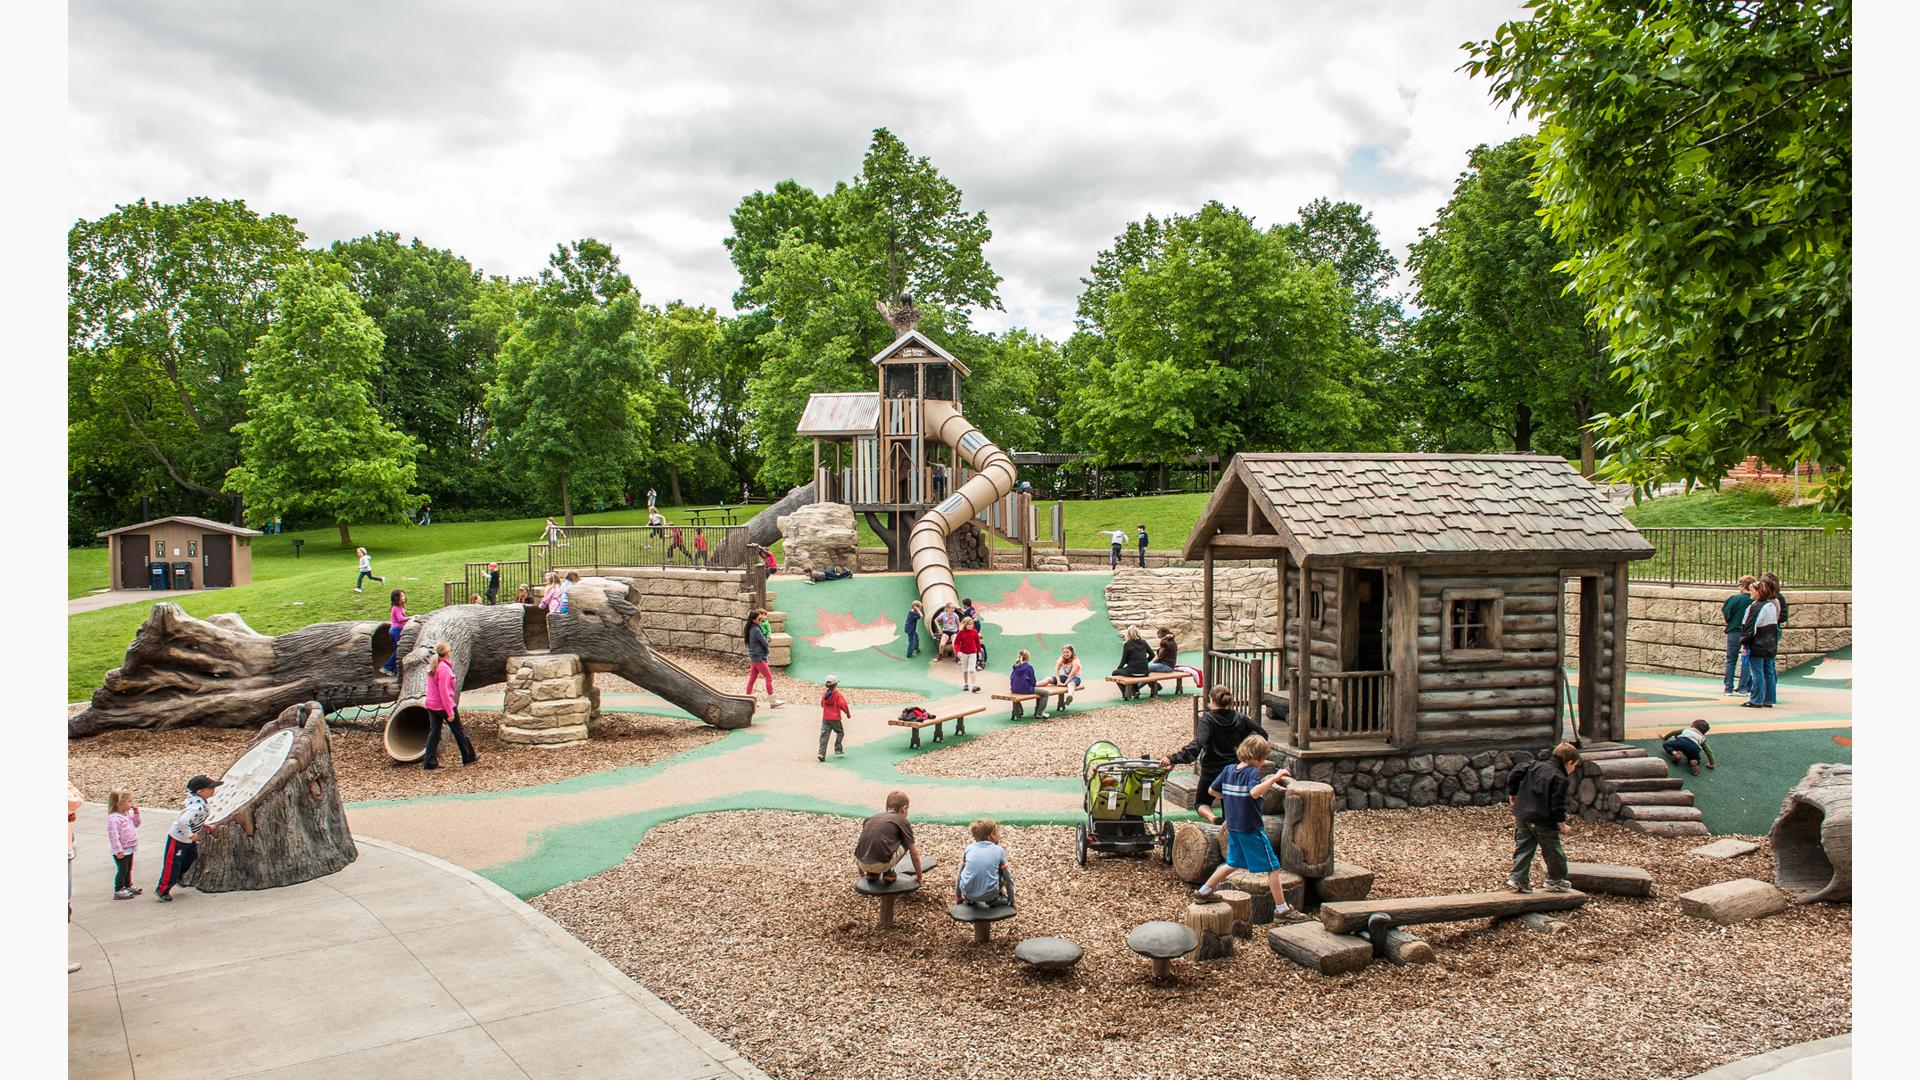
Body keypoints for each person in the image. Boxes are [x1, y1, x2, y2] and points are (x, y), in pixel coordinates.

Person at [1189, 735, 1296, 918]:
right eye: (1262, 759)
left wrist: (1232, 797)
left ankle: (1204, 891)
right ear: (1257, 757)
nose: (1262, 763)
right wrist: (1275, 778)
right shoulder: (1252, 773)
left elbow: (1212, 791)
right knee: (1273, 867)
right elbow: (1254, 793)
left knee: (1232, 863)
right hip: (1250, 828)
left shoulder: (1228, 770)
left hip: (1233, 827)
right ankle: (1281, 908)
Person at [1160, 687, 1269, 824]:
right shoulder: (1240, 718)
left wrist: (1173, 758)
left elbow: (1197, 745)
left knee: (1201, 803)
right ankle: (1227, 828)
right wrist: (1247, 750)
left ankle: (1213, 817)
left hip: (1212, 769)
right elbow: (1262, 734)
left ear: (1211, 700)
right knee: (1229, 803)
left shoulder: (1208, 720)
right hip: (1234, 768)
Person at [1506, 742, 1581, 893]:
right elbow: (1557, 804)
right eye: (1574, 767)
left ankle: (1518, 878)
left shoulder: (1533, 765)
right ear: (1569, 762)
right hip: (1542, 819)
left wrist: (1513, 793)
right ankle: (1556, 879)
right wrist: (1561, 824)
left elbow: (1515, 772)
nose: (1573, 771)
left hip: (1522, 814)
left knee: (1524, 846)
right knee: (1552, 849)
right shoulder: (1560, 778)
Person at [157, 774, 222, 901]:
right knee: (172, 864)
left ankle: (178, 876)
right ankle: (162, 889)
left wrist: (204, 825)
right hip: (178, 839)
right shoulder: (195, 807)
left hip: (187, 839)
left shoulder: (198, 801)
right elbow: (183, 821)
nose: (214, 790)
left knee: (191, 856)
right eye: (211, 788)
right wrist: (190, 835)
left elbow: (194, 819)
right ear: (200, 792)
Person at [421, 641, 479, 770]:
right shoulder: (444, 669)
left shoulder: (433, 666)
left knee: (434, 733)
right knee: (458, 730)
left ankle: (429, 761)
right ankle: (468, 756)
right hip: (443, 705)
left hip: (432, 705)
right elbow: (444, 692)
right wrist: (450, 712)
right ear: (447, 653)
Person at [855, 791, 924, 884]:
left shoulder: (871, 818)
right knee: (906, 840)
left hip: (861, 863)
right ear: (904, 808)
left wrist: (861, 874)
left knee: (872, 839)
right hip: (882, 864)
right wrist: (919, 878)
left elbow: (863, 844)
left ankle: (871, 873)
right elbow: (914, 854)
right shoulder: (902, 820)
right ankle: (888, 872)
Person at [1741, 578, 1781, 709]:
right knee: (1768, 671)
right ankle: (1769, 699)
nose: (1750, 593)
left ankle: (1756, 699)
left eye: (1752, 590)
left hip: (1757, 643)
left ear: (1759, 592)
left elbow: (1750, 627)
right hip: (1770, 643)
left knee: (1757, 671)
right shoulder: (1771, 605)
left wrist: (1745, 642)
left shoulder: (1755, 607)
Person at [954, 819, 1014, 908]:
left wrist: (958, 896)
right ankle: (993, 900)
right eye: (998, 833)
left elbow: (960, 874)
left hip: (968, 893)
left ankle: (970, 900)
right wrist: (1012, 901)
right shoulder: (998, 850)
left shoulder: (969, 848)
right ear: (992, 835)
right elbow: (1008, 878)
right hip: (990, 895)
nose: (1000, 835)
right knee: (1001, 872)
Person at [1721, 575, 1756, 695]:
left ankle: (1728, 687)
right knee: (1746, 660)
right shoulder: (1754, 601)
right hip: (1748, 633)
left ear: (1742, 586)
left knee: (1731, 659)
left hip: (1734, 631)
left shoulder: (1733, 599)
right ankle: (1743, 687)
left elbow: (1727, 614)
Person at [107, 790, 143, 900]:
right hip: (121, 849)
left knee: (128, 868)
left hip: (129, 847)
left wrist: (136, 812)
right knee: (122, 869)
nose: (131, 804)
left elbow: (137, 824)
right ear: (119, 804)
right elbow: (113, 836)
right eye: (129, 801)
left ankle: (128, 885)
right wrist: (118, 850)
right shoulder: (113, 819)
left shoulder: (127, 815)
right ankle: (118, 889)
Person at [744, 610, 781, 707]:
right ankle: (772, 702)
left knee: (752, 679)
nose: (761, 620)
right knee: (768, 677)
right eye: (759, 619)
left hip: (754, 657)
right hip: (759, 657)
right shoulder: (756, 630)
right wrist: (768, 639)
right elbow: (765, 643)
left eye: (761, 618)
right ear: (753, 620)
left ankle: (748, 701)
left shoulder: (752, 628)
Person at [1036, 645, 1082, 715]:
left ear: (1072, 652)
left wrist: (1065, 683)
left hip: (1075, 678)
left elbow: (1072, 674)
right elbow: (1056, 669)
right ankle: (1033, 684)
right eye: (1064, 652)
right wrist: (1058, 681)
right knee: (1049, 679)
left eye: (1067, 652)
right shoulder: (1062, 658)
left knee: (1070, 684)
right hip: (1065, 677)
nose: (1065, 654)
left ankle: (1070, 696)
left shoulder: (1076, 661)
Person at [1113, 626, 1153, 699]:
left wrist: (1118, 668)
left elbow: (1123, 660)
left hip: (1132, 671)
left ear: (1128, 634)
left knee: (1115, 673)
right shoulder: (1144, 642)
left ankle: (1125, 693)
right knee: (1131, 673)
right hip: (1145, 671)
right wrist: (1145, 662)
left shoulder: (1127, 644)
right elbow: (1152, 655)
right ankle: (1135, 691)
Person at [818, 674, 851, 761]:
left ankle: (821, 753)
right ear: (836, 684)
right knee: (840, 732)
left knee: (824, 736)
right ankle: (838, 748)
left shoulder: (825, 693)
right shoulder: (837, 694)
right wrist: (848, 713)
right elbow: (843, 705)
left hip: (825, 718)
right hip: (835, 719)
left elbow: (822, 704)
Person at [1008, 649, 1045, 718]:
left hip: (1014, 689)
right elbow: (1033, 681)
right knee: (1045, 693)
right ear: (1028, 657)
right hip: (1026, 689)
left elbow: (1011, 678)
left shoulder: (1015, 667)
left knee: (1017, 696)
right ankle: (1039, 712)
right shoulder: (1029, 667)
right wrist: (1033, 686)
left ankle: (1019, 710)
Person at [383, 589, 409, 675]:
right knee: (399, 650)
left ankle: (393, 670)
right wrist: (412, 618)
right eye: (401, 596)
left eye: (404, 595)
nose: (404, 597)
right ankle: (387, 667)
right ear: (396, 598)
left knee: (397, 650)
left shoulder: (399, 607)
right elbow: (400, 619)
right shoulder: (396, 608)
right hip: (396, 630)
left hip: (395, 630)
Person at [955, 617, 983, 693]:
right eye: (968, 624)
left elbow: (977, 643)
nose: (970, 626)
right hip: (963, 653)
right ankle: (966, 684)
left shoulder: (975, 632)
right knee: (965, 670)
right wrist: (957, 651)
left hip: (973, 653)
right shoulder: (961, 633)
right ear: (964, 625)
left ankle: (974, 685)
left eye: (971, 624)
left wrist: (979, 652)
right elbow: (956, 643)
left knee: (972, 669)